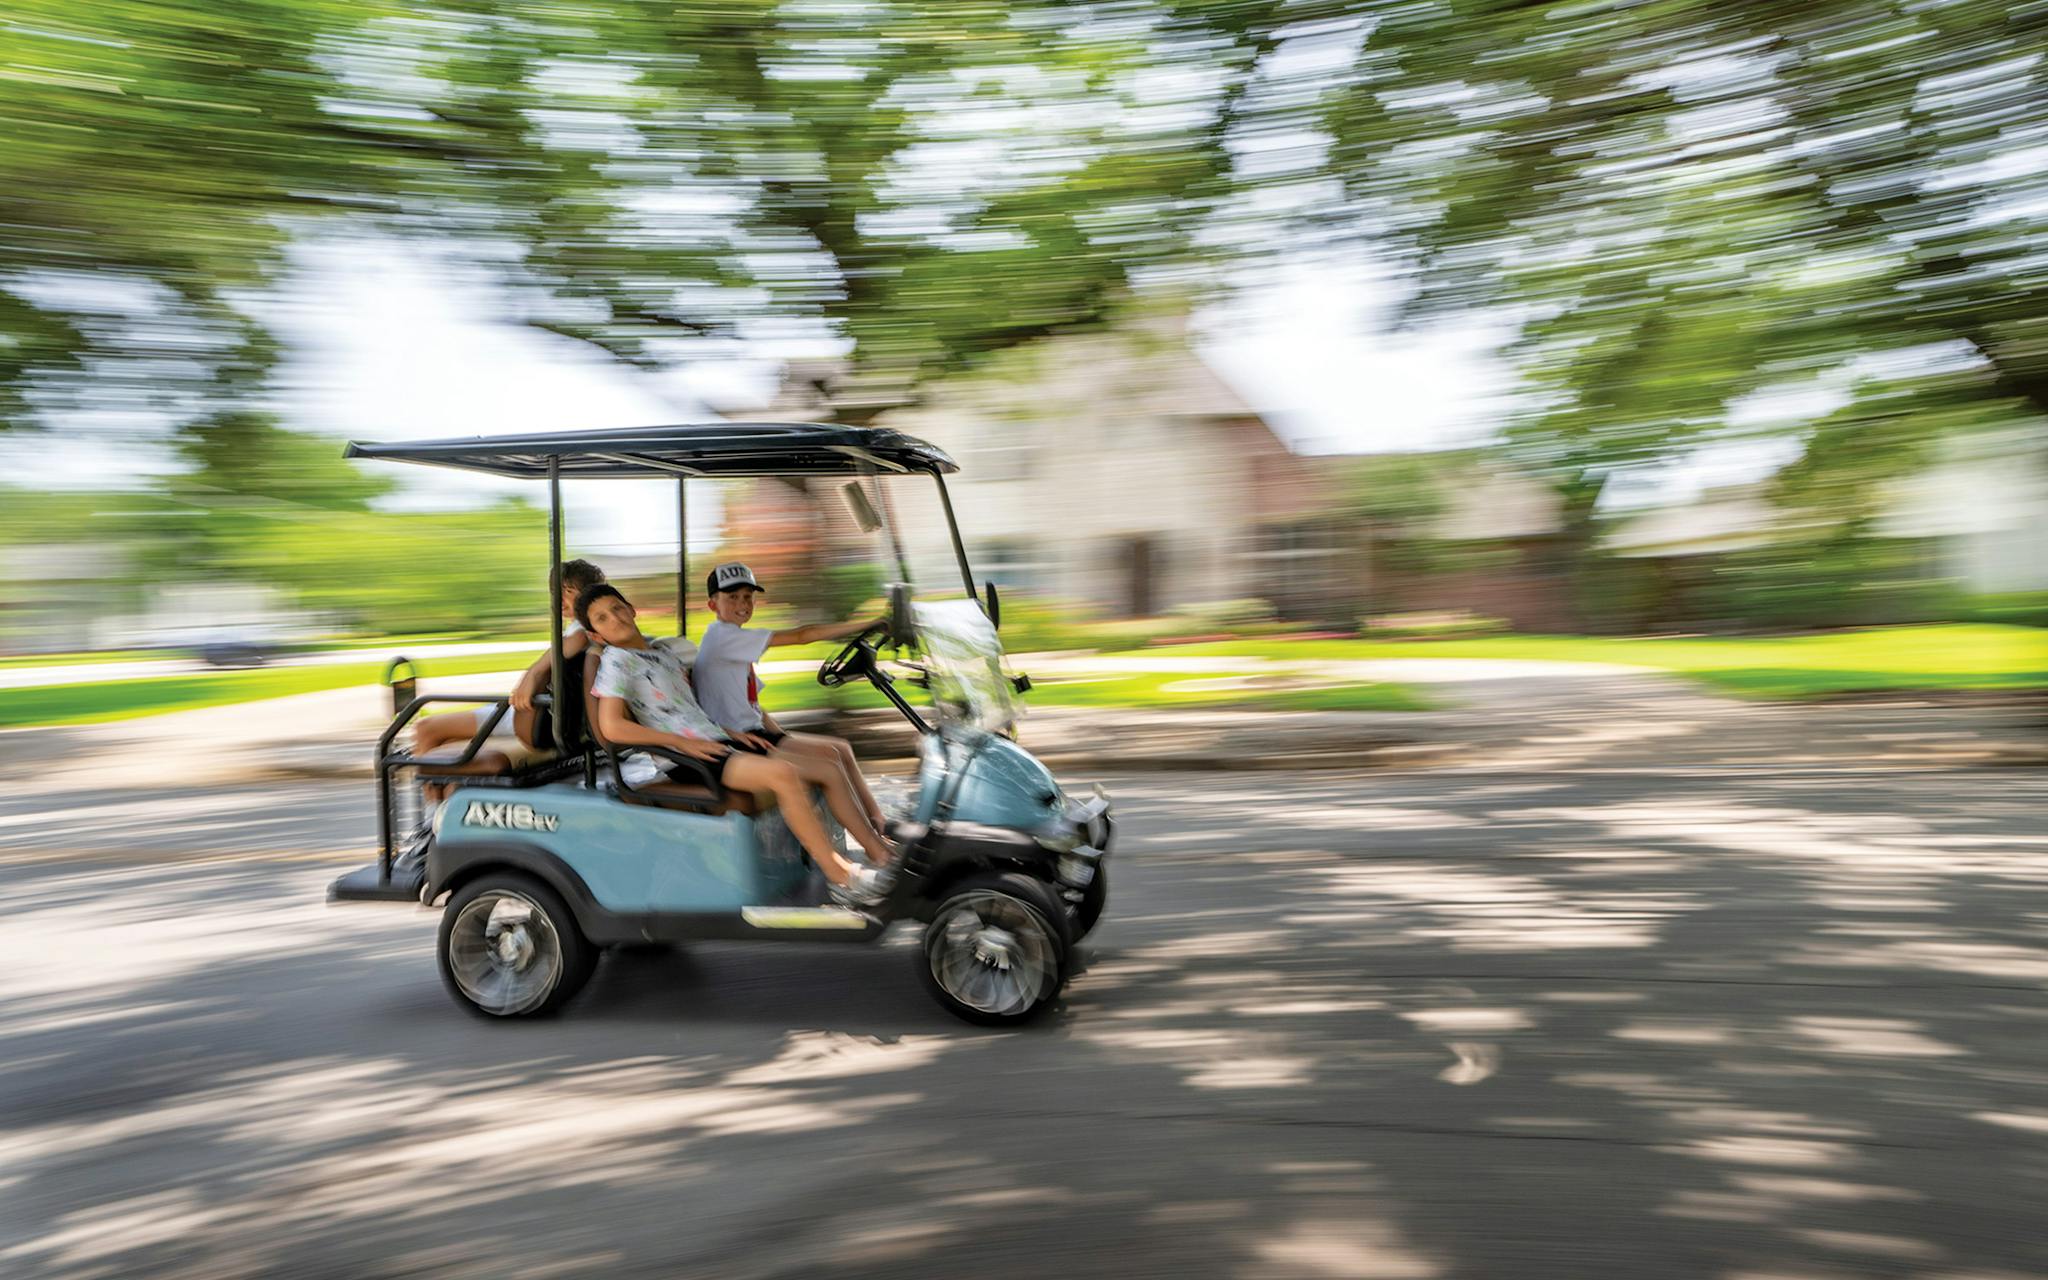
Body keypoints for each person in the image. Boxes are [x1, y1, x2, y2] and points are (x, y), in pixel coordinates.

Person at [578, 583, 895, 904]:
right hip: (684, 758)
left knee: (826, 767)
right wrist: (680, 744)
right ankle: (839, 874)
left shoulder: (662, 654)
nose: (615, 619)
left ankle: (880, 854)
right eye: (602, 618)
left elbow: (687, 711)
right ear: (596, 635)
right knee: (783, 774)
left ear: (631, 609)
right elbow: (612, 727)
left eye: (617, 608)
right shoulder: (617, 661)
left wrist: (730, 731)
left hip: (715, 742)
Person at [691, 561, 891, 843]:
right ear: (713, 605)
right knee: (830, 764)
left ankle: (880, 823)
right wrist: (870, 623)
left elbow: (755, 706)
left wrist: (784, 737)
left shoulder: (732, 638)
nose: (742, 604)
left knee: (840, 748)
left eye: (748, 597)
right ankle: (875, 845)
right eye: (732, 597)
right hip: (740, 740)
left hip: (758, 732)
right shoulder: (723, 637)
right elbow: (802, 635)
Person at [411, 559, 607, 776]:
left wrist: (530, 678)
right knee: (447, 742)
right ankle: (445, 797)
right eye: (555, 591)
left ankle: (431, 809)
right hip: (539, 712)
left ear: (588, 593)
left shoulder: (581, 633)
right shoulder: (588, 630)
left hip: (528, 714)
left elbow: (543, 666)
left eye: (568, 591)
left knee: (426, 729)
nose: (559, 599)